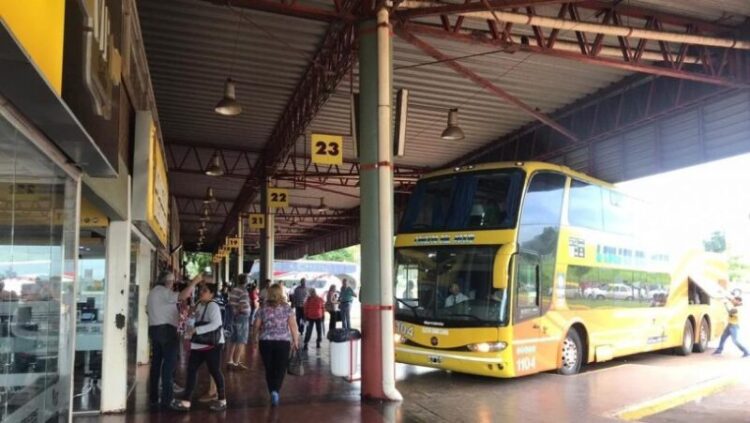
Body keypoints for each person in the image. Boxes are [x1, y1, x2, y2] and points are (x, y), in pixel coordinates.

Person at [146, 271, 201, 408]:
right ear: (166, 282)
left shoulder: (153, 292)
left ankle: (154, 397)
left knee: (156, 365)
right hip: (166, 331)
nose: (173, 284)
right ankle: (167, 399)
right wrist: (194, 282)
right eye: (171, 281)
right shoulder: (163, 291)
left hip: (154, 329)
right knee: (169, 365)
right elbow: (182, 295)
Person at [171, 283, 227, 412]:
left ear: (212, 294)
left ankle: (222, 400)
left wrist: (197, 329)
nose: (201, 292)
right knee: (191, 370)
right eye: (201, 290)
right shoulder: (198, 304)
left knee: (214, 370)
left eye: (205, 290)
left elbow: (217, 324)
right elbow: (191, 321)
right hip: (198, 344)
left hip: (213, 344)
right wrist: (188, 332)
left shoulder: (213, 306)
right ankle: (186, 401)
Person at [253, 284, 300, 406]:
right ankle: (275, 391)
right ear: (280, 293)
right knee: (280, 368)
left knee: (269, 368)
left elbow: (256, 326)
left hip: (265, 342)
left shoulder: (262, 308)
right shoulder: (286, 308)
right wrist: (296, 341)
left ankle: (272, 391)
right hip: (283, 342)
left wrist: (254, 338)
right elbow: (293, 326)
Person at [226, 274, 252, 370]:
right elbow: (241, 305)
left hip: (234, 317)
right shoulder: (243, 291)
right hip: (242, 317)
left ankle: (230, 361)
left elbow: (231, 303)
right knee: (240, 341)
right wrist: (238, 312)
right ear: (246, 281)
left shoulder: (234, 289)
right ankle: (236, 363)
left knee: (233, 340)